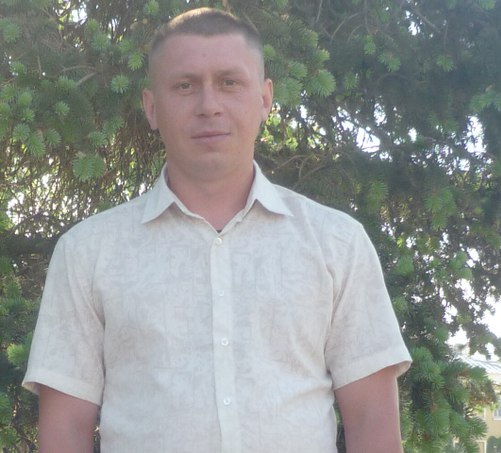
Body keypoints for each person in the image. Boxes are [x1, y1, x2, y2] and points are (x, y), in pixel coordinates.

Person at [23, 7, 412, 453]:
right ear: (152, 107)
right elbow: (65, 431)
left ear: (264, 98)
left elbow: (373, 421)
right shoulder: (88, 252)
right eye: (185, 86)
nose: (209, 105)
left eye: (229, 82)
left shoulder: (337, 243)